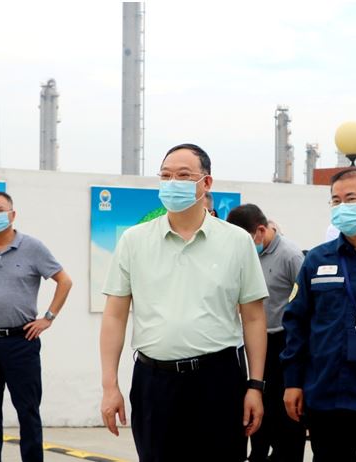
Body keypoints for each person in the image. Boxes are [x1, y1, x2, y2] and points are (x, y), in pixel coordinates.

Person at [99, 143, 269, 462]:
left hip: (218, 380)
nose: (172, 182)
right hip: (154, 382)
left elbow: (254, 318)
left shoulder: (236, 241)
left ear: (207, 183)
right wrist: (110, 385)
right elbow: (114, 316)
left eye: (183, 175)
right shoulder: (134, 241)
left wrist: (255, 386)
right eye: (165, 176)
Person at [281, 167, 356, 462]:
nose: (341, 207)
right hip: (326, 398)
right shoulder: (316, 260)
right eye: (335, 201)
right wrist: (293, 381)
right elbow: (296, 323)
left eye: (350, 199)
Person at [0, 191, 73, 462]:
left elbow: (64, 281)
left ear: (12, 214)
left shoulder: (33, 248)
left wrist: (48, 318)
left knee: (28, 410)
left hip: (22, 342)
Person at [227, 203, 306, 462]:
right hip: (255, 341)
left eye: (246, 239)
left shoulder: (291, 255)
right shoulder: (244, 255)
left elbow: (306, 302)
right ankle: (258, 453)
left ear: (261, 231)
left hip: (283, 341)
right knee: (257, 401)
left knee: (285, 411)